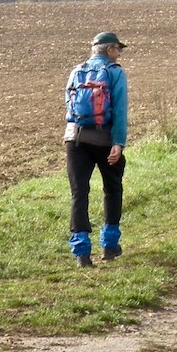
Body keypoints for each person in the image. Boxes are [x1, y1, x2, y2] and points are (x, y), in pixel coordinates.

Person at [63, 31, 130, 268]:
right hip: (104, 140)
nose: (120, 53)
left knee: (79, 193)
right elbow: (120, 111)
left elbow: (68, 105)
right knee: (112, 189)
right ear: (110, 50)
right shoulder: (115, 72)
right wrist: (118, 143)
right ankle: (109, 246)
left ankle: (81, 252)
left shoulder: (76, 72)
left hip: (75, 139)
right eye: (118, 49)